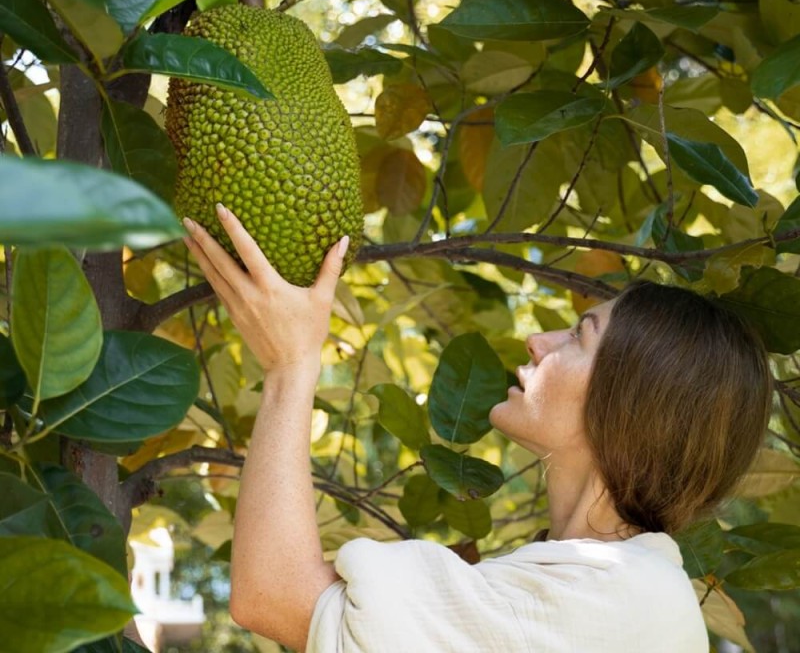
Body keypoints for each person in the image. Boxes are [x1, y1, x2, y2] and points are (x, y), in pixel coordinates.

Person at [182, 203, 774, 653]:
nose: (537, 341)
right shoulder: (602, 589)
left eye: (578, 337)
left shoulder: (621, 594)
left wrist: (291, 365)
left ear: (635, 402)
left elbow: (274, 594)